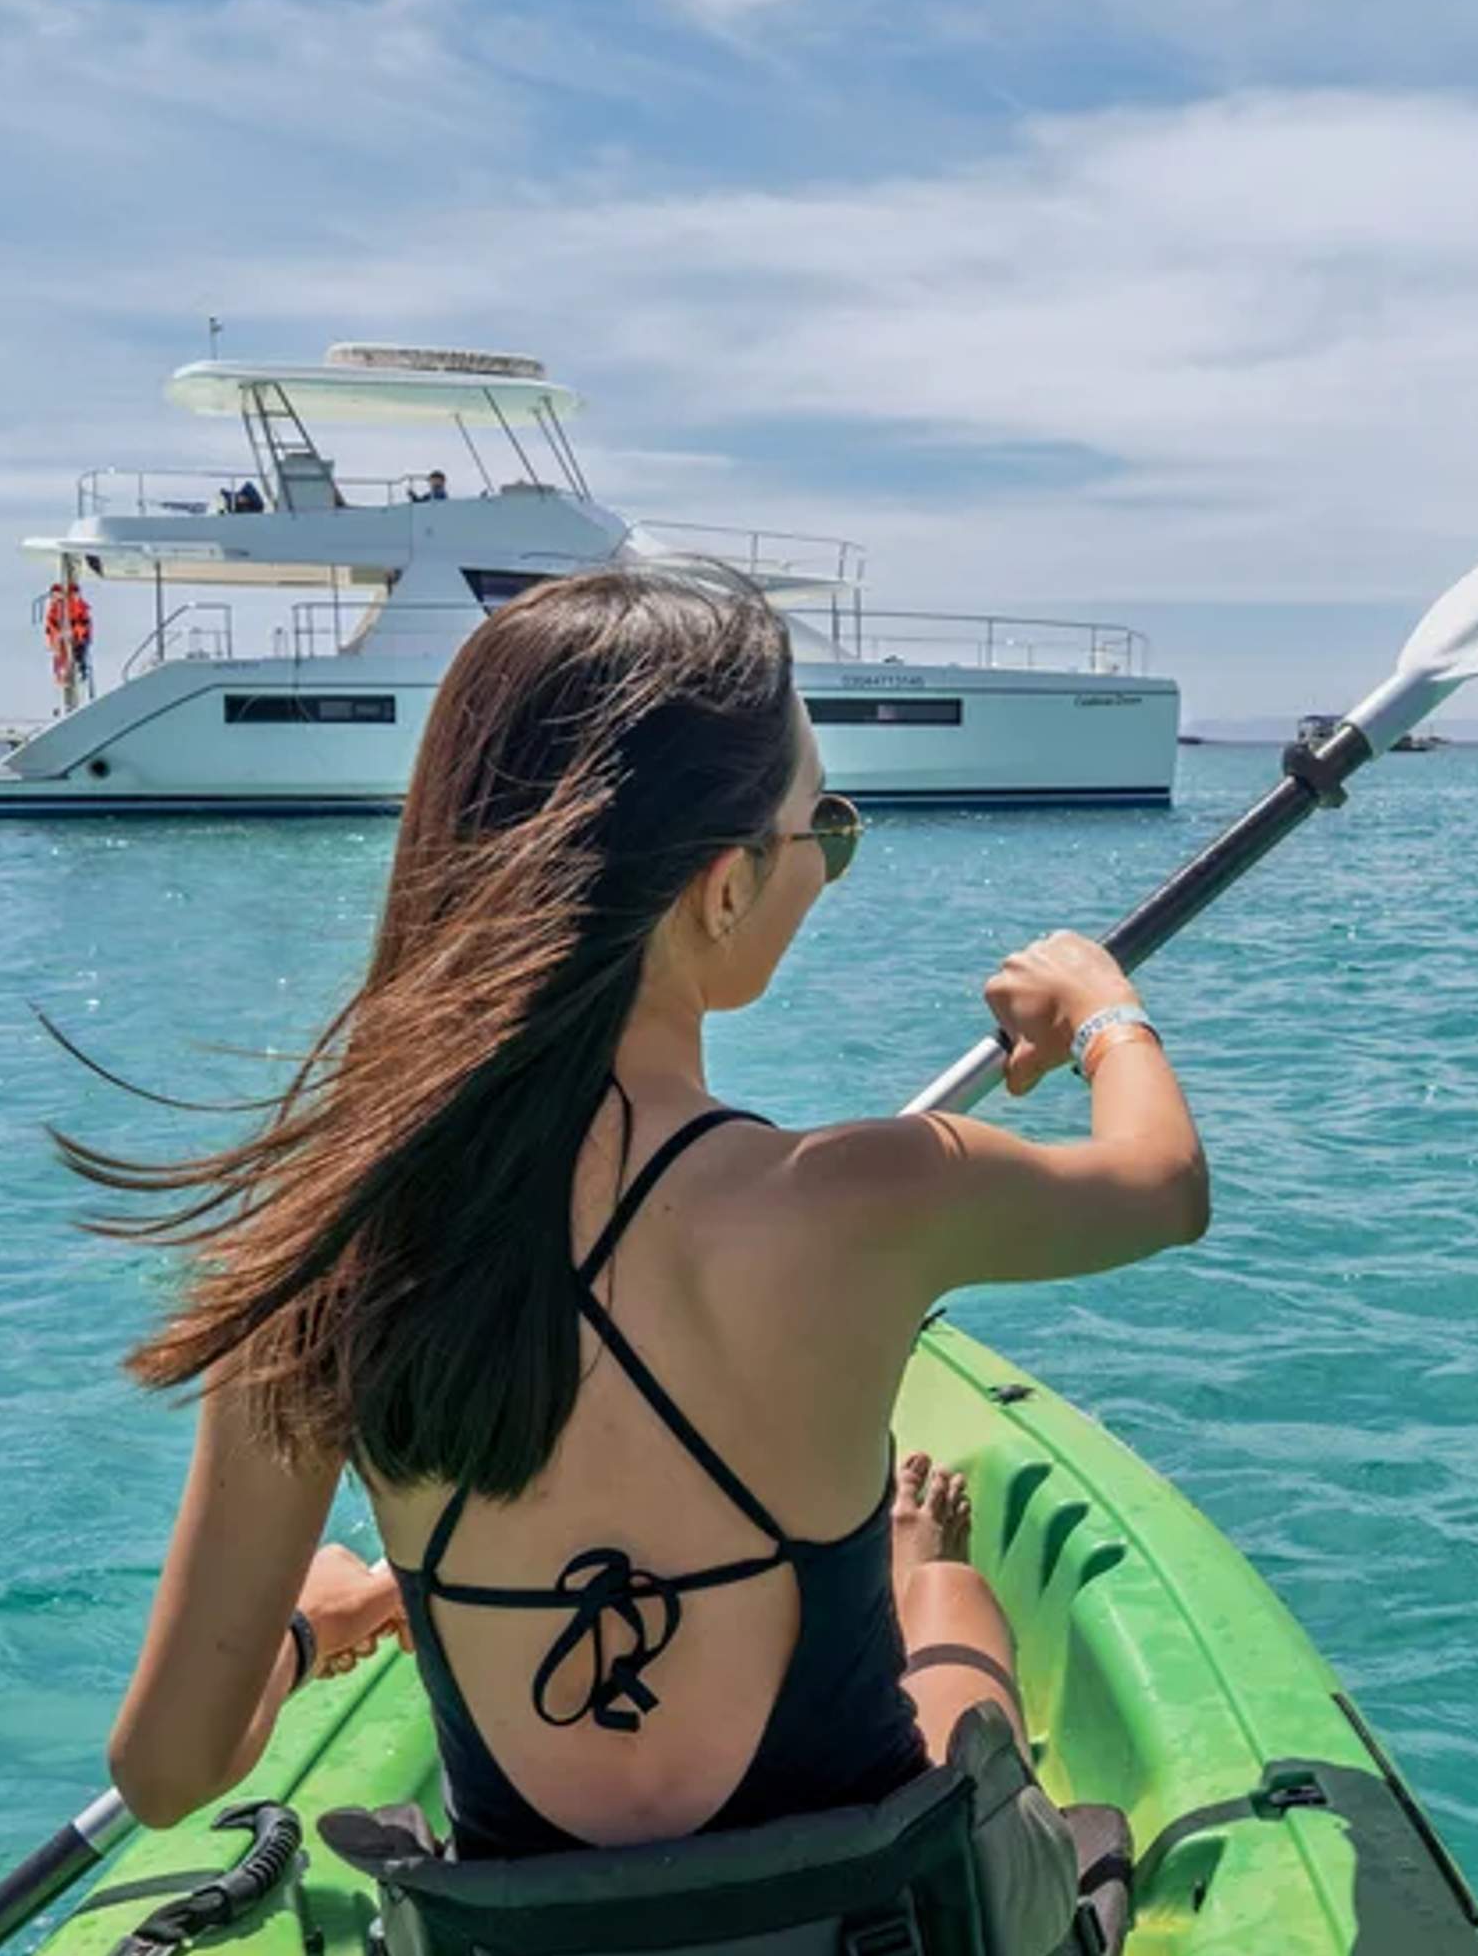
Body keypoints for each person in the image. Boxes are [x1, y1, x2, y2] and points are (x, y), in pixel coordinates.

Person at [87, 564, 1207, 1858]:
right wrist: (1102, 1011)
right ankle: (920, 1570)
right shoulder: (873, 1195)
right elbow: (1164, 1189)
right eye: (821, 832)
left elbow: (166, 1773)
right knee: (952, 1605)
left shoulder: (318, 1258)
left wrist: (312, 1627)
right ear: (724, 888)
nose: (826, 865)